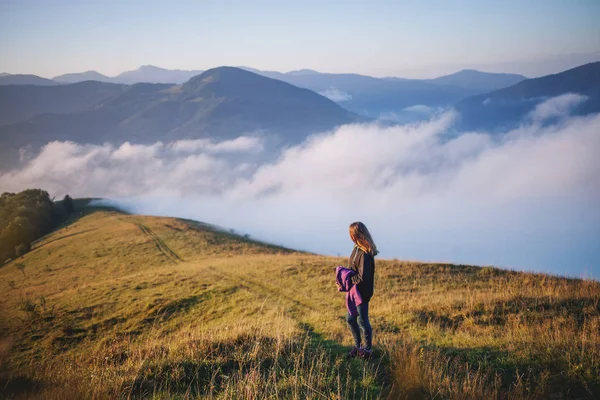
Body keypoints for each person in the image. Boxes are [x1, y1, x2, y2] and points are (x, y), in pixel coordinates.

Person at [345, 221, 378, 359]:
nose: (349, 236)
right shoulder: (356, 248)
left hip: (361, 293)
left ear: (355, 234)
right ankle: (358, 347)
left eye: (350, 233)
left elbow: (361, 277)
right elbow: (353, 269)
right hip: (354, 292)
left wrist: (347, 280)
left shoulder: (364, 254)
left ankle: (368, 351)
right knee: (351, 320)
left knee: (363, 321)